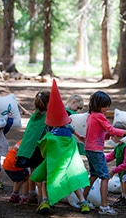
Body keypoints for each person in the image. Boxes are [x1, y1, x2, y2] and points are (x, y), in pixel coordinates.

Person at [30, 80, 90, 214]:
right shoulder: (68, 135)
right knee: (73, 180)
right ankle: (83, 202)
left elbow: (44, 149)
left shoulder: (50, 136)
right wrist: (79, 135)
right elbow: (68, 128)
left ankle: (45, 201)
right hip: (67, 162)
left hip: (54, 162)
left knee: (44, 179)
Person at [82, 91, 126, 215]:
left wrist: (109, 135)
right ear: (98, 105)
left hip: (89, 148)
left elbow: (101, 132)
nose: (107, 108)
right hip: (96, 150)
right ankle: (104, 206)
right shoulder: (99, 116)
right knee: (105, 177)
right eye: (105, 105)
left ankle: (83, 200)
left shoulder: (91, 115)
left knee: (93, 175)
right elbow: (110, 129)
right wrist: (125, 132)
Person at [16, 90, 51, 204]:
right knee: (41, 175)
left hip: (29, 149)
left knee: (33, 172)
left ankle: (32, 194)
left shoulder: (35, 115)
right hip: (39, 149)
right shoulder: (48, 117)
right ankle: (42, 199)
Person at [106, 121, 126, 208]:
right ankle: (124, 197)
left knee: (125, 181)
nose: (111, 138)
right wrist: (100, 160)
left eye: (112, 136)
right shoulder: (118, 147)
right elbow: (111, 156)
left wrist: (113, 171)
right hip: (122, 169)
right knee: (122, 181)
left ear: (120, 135)